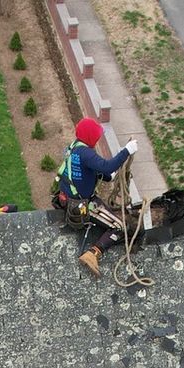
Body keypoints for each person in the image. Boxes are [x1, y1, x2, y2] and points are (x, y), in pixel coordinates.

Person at [56, 117, 139, 277]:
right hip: (82, 205)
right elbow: (106, 166)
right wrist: (126, 151)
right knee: (119, 227)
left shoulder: (74, 148)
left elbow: (91, 170)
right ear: (91, 136)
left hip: (67, 198)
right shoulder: (86, 153)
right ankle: (93, 253)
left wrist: (109, 176)